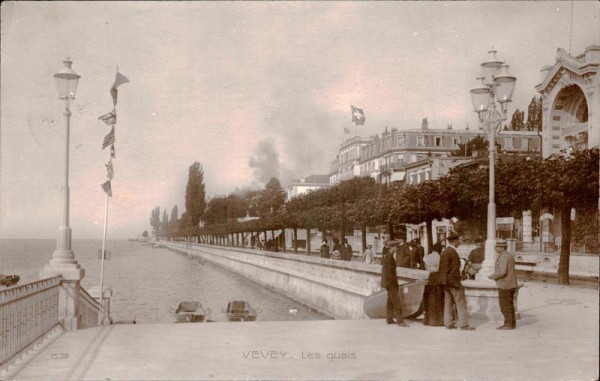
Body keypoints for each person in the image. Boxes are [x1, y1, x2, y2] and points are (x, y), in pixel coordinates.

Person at [438, 232, 475, 330]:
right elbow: (454, 270)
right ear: (454, 241)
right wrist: (456, 282)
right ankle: (463, 324)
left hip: (445, 282)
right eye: (458, 240)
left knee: (448, 302)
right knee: (460, 302)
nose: (459, 242)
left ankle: (448, 323)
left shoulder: (445, 251)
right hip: (453, 282)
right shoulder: (453, 253)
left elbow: (443, 269)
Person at [488, 239, 518, 330]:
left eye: (497, 246)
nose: (495, 248)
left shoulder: (504, 256)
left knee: (504, 305)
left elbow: (502, 271)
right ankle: (511, 323)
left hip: (505, 284)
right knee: (509, 305)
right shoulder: (508, 255)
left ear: (502, 247)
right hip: (511, 284)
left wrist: (492, 276)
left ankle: (508, 324)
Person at [380, 240, 409, 327]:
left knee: (390, 302)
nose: (397, 249)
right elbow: (389, 273)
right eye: (396, 247)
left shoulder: (388, 256)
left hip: (389, 283)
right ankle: (400, 321)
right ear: (391, 247)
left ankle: (389, 319)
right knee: (397, 302)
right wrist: (393, 284)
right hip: (391, 284)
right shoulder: (389, 258)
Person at [422, 241, 444, 326]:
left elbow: (426, 267)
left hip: (430, 277)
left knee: (429, 299)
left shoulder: (428, 256)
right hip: (437, 278)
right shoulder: (439, 257)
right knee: (437, 299)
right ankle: (436, 320)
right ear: (439, 249)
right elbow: (439, 268)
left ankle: (427, 320)